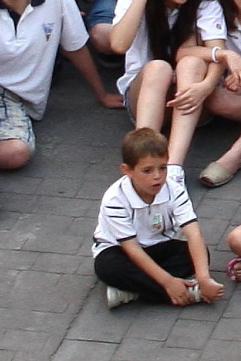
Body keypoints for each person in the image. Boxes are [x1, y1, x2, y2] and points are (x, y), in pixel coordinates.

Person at [94, 125, 224, 306]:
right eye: (147, 171)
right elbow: (132, 249)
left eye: (163, 168)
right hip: (122, 250)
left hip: (159, 245)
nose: (157, 176)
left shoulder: (174, 189)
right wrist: (168, 282)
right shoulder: (114, 199)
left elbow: (193, 233)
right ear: (127, 170)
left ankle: (132, 292)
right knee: (108, 267)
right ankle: (189, 293)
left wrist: (204, 278)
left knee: (198, 255)